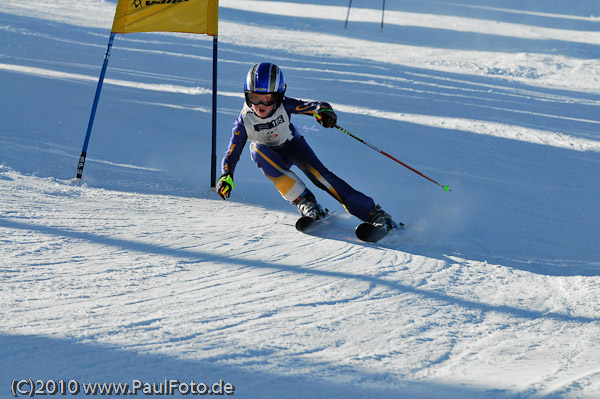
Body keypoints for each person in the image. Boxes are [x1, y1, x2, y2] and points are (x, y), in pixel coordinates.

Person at [216, 62, 399, 231]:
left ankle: (375, 214)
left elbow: (313, 106)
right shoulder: (244, 121)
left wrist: (323, 112)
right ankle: (306, 202)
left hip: (294, 146)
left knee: (323, 178)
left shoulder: (284, 105)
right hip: (271, 157)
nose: (261, 105)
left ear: (279, 96)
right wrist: (226, 176)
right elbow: (232, 153)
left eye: (268, 98)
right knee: (256, 150)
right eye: (255, 97)